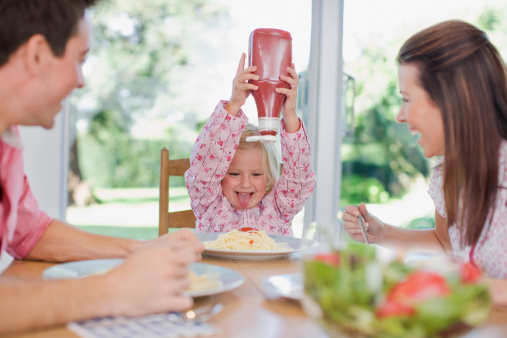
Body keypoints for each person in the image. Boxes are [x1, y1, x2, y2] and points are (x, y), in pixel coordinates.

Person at [0, 0, 203, 334]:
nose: (81, 81)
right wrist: (111, 292)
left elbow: (31, 233)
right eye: (80, 60)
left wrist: (139, 250)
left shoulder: (8, 134)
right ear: (37, 54)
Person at [342, 20, 507, 307]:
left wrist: (455, 285)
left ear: (450, 99)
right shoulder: (449, 173)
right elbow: (447, 244)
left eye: (406, 99)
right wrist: (384, 233)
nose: (399, 116)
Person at [185, 53, 316, 236]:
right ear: (219, 173)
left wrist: (290, 116)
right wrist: (235, 103)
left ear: (269, 177)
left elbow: (299, 177)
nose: (245, 184)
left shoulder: (280, 207)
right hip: (218, 266)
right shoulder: (210, 205)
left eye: (256, 174)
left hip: (269, 266)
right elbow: (205, 162)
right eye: (234, 173)